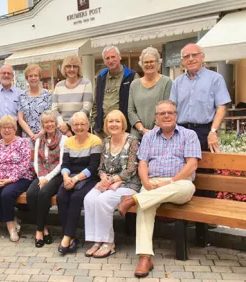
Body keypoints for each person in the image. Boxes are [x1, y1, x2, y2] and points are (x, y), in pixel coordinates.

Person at [118, 100, 201, 278]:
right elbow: (142, 163)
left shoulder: (189, 135)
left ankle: (134, 199)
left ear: (176, 115)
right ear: (156, 118)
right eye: (162, 113)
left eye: (170, 112)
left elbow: (192, 165)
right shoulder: (149, 136)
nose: (166, 116)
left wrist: (170, 181)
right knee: (145, 206)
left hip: (179, 183)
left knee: (187, 187)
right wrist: (146, 182)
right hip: (153, 183)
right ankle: (145, 257)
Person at [83, 110, 140, 258]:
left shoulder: (132, 140)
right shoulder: (106, 141)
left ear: (123, 124)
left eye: (117, 121)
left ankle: (109, 243)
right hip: (108, 183)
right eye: (110, 121)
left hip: (129, 185)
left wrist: (113, 180)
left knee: (103, 200)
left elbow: (132, 169)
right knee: (89, 198)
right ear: (106, 125)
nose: (114, 124)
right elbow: (101, 167)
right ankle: (97, 240)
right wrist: (103, 177)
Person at [169, 43, 231, 152]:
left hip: (204, 132)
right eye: (186, 56)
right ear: (182, 61)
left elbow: (221, 107)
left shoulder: (215, 79)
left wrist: (213, 131)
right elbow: (171, 108)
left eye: (194, 55)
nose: (191, 59)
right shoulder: (177, 82)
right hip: (180, 131)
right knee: (179, 166)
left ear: (202, 57)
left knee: (205, 167)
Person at [56, 111, 102, 254]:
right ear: (72, 126)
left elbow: (93, 167)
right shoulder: (69, 141)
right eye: (76, 124)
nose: (79, 127)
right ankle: (71, 237)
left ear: (88, 125)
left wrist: (75, 179)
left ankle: (67, 236)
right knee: (61, 197)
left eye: (82, 124)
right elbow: (65, 164)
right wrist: (65, 177)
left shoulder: (95, 141)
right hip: (70, 177)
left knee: (76, 198)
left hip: (89, 178)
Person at [0, 115, 33, 242]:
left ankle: (10, 227)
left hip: (20, 178)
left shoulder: (22, 143)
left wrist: (10, 179)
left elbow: (25, 164)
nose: (6, 130)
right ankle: (12, 219)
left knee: (7, 194)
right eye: (4, 128)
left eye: (9, 127)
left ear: (15, 129)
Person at [26, 110, 67, 247]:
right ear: (42, 125)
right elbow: (37, 161)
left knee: (43, 194)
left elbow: (61, 163)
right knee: (31, 194)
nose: (49, 124)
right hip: (42, 174)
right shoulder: (39, 140)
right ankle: (44, 228)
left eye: (51, 121)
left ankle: (38, 231)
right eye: (46, 122)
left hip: (56, 176)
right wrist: (41, 176)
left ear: (55, 123)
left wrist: (47, 178)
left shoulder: (63, 139)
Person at [92, 46, 138, 138]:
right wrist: (94, 124)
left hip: (124, 130)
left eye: (113, 57)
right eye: (107, 58)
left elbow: (137, 105)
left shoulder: (132, 76)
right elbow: (96, 103)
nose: (110, 60)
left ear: (119, 57)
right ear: (104, 61)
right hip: (102, 132)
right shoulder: (100, 78)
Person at [128, 47, 172, 139]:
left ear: (158, 63)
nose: (149, 64)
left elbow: (167, 109)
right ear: (141, 64)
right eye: (146, 62)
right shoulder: (134, 84)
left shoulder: (167, 82)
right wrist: (142, 129)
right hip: (137, 135)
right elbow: (131, 111)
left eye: (152, 61)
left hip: (160, 134)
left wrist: (154, 130)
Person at [52, 55, 93, 137]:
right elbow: (54, 110)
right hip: (62, 131)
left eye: (75, 66)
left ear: (79, 69)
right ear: (64, 68)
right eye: (68, 66)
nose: (71, 69)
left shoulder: (86, 84)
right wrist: (63, 127)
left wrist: (69, 125)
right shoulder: (58, 86)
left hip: (80, 129)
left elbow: (86, 108)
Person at [18, 64, 51, 147]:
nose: (33, 78)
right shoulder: (22, 96)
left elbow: (50, 116)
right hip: (28, 137)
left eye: (36, 75)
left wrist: (40, 133)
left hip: (45, 135)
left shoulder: (47, 94)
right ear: (27, 78)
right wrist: (32, 135)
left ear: (39, 77)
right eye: (30, 76)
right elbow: (20, 119)